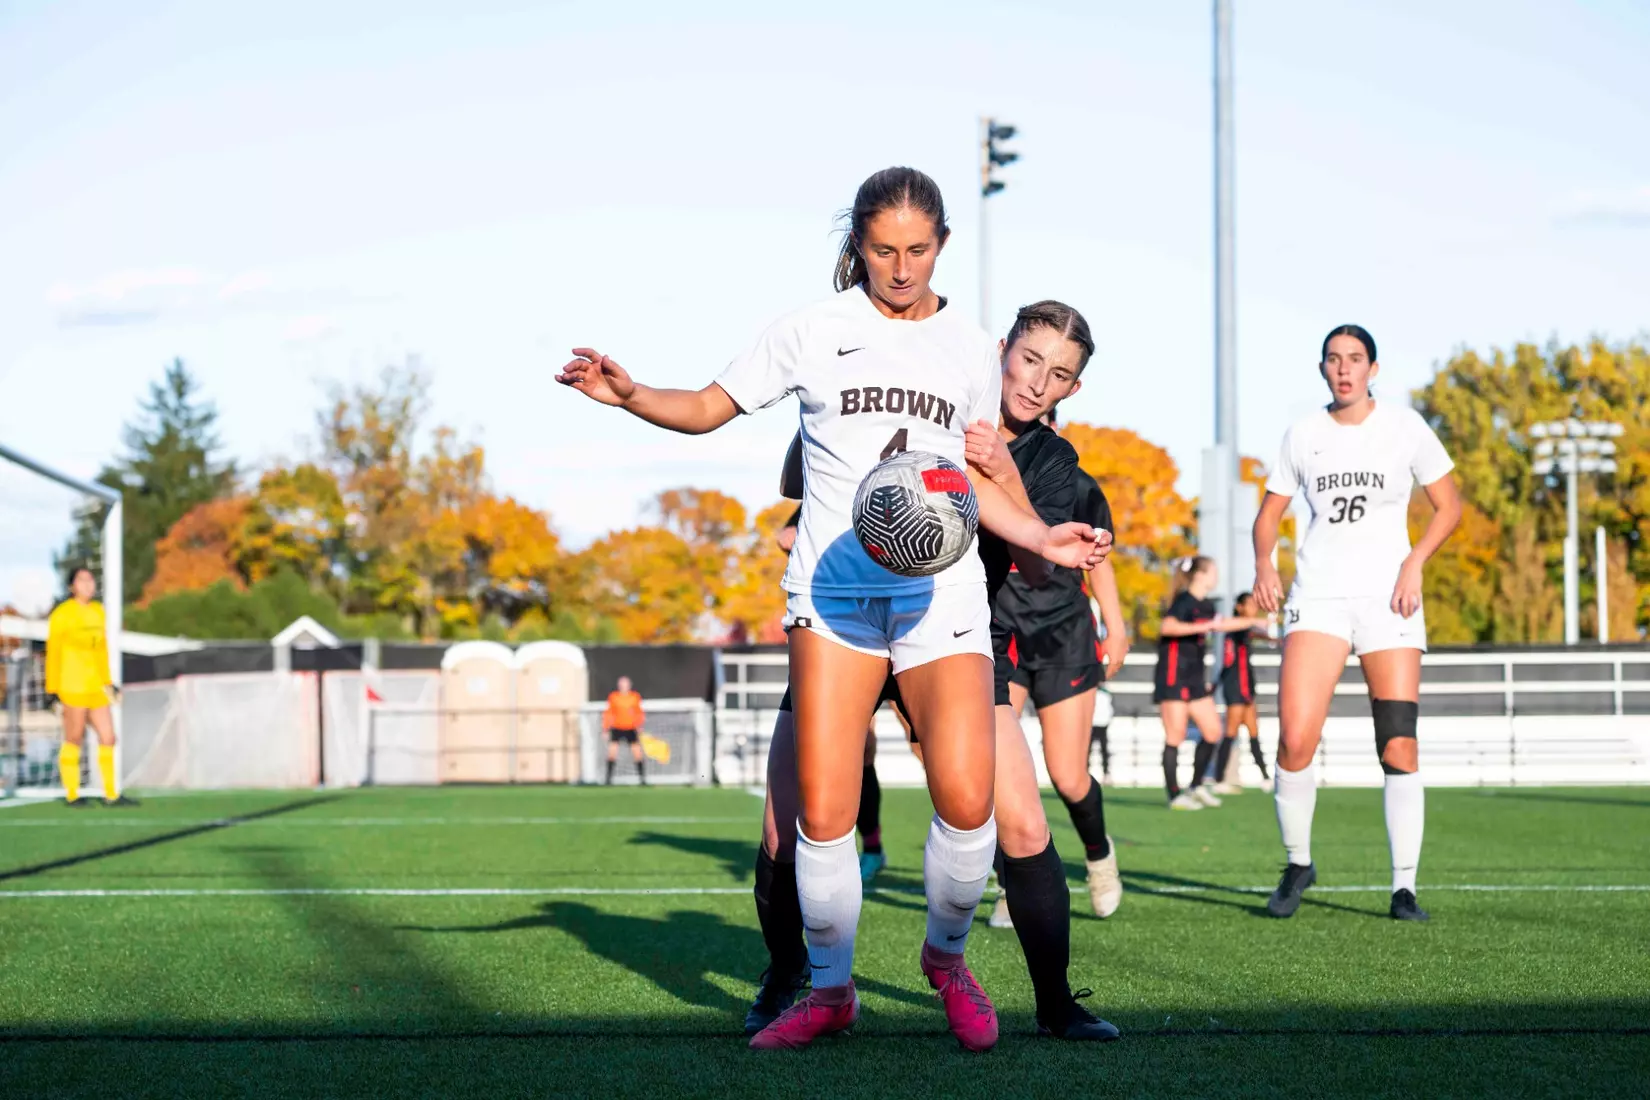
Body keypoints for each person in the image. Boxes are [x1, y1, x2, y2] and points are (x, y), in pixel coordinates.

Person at [559, 167, 1107, 1052]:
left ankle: (946, 958)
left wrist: (1044, 540)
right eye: (883, 249)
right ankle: (828, 989)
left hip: (942, 595)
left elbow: (971, 475)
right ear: (856, 244)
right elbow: (708, 407)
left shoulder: (971, 348)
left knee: (969, 804)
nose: (900, 267)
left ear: (943, 248)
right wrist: (630, 395)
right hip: (837, 594)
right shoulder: (811, 331)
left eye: (918, 250)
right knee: (822, 815)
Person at [747, 299, 1120, 1043]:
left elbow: (1039, 568)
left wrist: (1000, 469)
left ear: (1073, 390)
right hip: (850, 618)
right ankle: (790, 976)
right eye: (1030, 359)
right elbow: (810, 484)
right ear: (1000, 348)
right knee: (787, 823)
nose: (1038, 382)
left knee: (1015, 817)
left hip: (952, 633)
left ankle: (1054, 1003)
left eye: (1060, 374)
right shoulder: (931, 381)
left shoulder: (1052, 464)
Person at [1253, 324, 1461, 922]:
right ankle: (1298, 863)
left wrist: (1416, 563)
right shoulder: (1304, 434)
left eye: (1355, 359)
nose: (1344, 369)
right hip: (1318, 598)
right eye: (1334, 359)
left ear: (1374, 368)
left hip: (1389, 601)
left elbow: (1450, 505)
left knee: (1397, 742)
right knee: (1295, 738)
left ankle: (1403, 888)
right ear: (1322, 369)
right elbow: (1268, 516)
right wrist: (1264, 561)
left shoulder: (1405, 428)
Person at [993, 406, 1126, 921]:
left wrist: (1115, 625)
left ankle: (1099, 857)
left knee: (1068, 775)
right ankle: (1013, 883)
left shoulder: (1079, 482)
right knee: (1003, 774)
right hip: (1002, 630)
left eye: (1047, 422)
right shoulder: (989, 474)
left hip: (1063, 633)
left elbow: (1101, 561)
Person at [1155, 557, 1256, 810]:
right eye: (1213, 572)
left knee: (1213, 732)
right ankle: (1175, 795)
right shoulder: (1183, 601)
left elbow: (1221, 625)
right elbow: (1167, 627)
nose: (1216, 577)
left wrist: (1255, 622)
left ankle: (1196, 786)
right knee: (1175, 736)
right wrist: (1204, 626)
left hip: (1195, 679)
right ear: (1200, 575)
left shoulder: (1207, 605)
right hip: (1173, 678)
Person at [46, 566, 132, 806]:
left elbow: (101, 651)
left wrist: (108, 682)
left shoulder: (98, 611)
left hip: (96, 686)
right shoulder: (62, 614)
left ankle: (111, 794)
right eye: (82, 580)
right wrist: (52, 689)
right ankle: (72, 794)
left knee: (108, 737)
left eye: (91, 580)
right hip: (71, 685)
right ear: (72, 586)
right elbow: (53, 652)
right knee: (74, 737)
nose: (88, 585)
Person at [1212, 592, 1271, 793]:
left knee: (1254, 733)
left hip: (1247, 687)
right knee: (1230, 732)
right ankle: (1219, 779)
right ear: (1239, 607)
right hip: (1235, 687)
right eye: (1250, 605)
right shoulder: (1234, 627)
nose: (1254, 608)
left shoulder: (1246, 630)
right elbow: (1228, 661)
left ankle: (1265, 777)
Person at [602, 676, 647, 785]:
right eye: (621, 684)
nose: (623, 686)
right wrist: (605, 729)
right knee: (612, 753)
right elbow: (609, 713)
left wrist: (639, 725)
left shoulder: (635, 697)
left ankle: (642, 779)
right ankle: (608, 779)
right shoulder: (613, 697)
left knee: (637, 753)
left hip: (631, 728)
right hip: (617, 727)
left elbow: (638, 712)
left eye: (625, 684)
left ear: (629, 685)